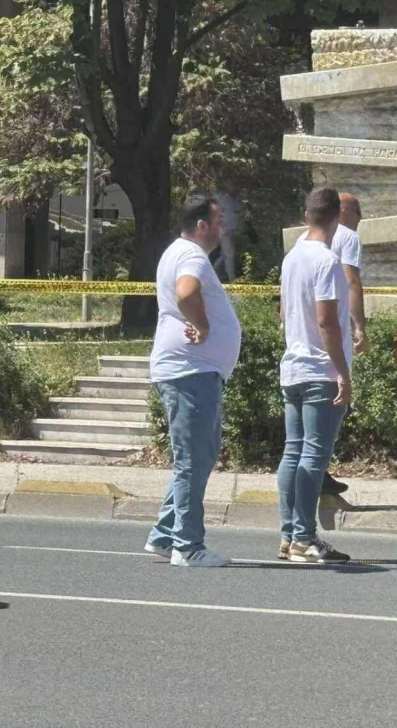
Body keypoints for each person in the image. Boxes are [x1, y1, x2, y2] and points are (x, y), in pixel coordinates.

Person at [146, 195, 242, 568]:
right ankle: (187, 547)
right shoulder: (190, 255)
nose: (222, 227)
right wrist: (202, 327)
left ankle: (165, 534)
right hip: (190, 371)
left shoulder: (179, 251)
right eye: (218, 221)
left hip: (192, 370)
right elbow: (187, 292)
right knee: (192, 459)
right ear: (201, 225)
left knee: (198, 456)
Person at [277, 187, 353, 564]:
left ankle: (290, 534)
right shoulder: (326, 260)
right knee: (314, 456)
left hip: (293, 366)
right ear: (337, 218)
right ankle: (304, 538)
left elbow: (284, 312)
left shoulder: (292, 258)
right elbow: (327, 322)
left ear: (306, 215)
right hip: (321, 370)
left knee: (294, 452)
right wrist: (342, 372)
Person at [298, 192, 368, 498]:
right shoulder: (347, 237)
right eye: (357, 211)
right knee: (328, 416)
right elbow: (351, 281)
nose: (359, 218)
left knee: (301, 435)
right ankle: (316, 484)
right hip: (327, 345)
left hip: (299, 345)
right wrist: (360, 326)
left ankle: (310, 483)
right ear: (342, 213)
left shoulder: (302, 242)